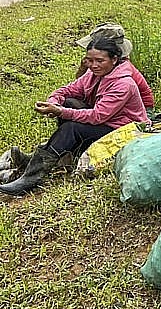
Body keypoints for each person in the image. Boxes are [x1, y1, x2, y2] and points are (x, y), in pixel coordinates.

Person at [1, 38, 149, 195]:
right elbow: (67, 90)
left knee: (71, 128)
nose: (93, 65)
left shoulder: (123, 84)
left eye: (100, 60)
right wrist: (55, 102)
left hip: (124, 130)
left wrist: (60, 112)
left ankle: (31, 178)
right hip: (107, 122)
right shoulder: (94, 74)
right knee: (69, 102)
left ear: (114, 59)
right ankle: (60, 157)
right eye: (90, 60)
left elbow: (97, 116)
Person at [75, 23, 155, 112]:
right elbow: (80, 85)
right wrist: (83, 68)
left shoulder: (123, 72)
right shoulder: (102, 65)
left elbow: (100, 114)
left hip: (133, 111)